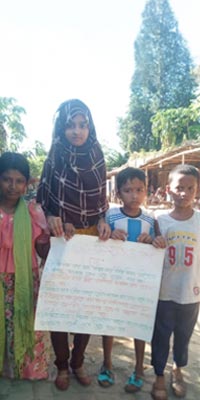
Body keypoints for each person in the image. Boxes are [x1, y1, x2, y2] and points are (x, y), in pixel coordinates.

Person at [36, 98, 111, 390]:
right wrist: (54, 216)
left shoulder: (97, 154)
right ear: (61, 127)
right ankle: (62, 365)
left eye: (82, 125)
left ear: (89, 127)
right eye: (70, 125)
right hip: (60, 240)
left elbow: (101, 201)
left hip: (91, 238)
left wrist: (103, 220)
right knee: (59, 307)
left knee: (86, 309)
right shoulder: (55, 155)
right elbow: (43, 198)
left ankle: (78, 361)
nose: (76, 131)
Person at [105, 167, 156, 393]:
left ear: (146, 191)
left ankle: (138, 369)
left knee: (138, 325)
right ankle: (107, 364)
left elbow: (157, 244)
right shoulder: (110, 216)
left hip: (139, 284)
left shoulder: (150, 220)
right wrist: (109, 235)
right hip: (114, 281)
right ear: (118, 194)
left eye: (139, 190)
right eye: (127, 190)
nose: (134, 195)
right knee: (109, 322)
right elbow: (101, 242)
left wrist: (151, 241)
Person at [0, 152, 50, 380]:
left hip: (24, 279)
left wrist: (57, 241)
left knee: (26, 323)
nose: (13, 186)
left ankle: (27, 369)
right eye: (7, 179)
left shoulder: (32, 212)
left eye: (19, 180)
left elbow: (42, 248)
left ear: (27, 183)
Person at [152, 164, 200, 400]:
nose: (184, 193)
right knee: (160, 335)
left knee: (183, 335)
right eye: (179, 187)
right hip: (164, 290)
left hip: (192, 292)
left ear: (197, 190)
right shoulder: (159, 220)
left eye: (190, 188)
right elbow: (149, 249)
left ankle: (177, 369)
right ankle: (159, 374)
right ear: (168, 189)